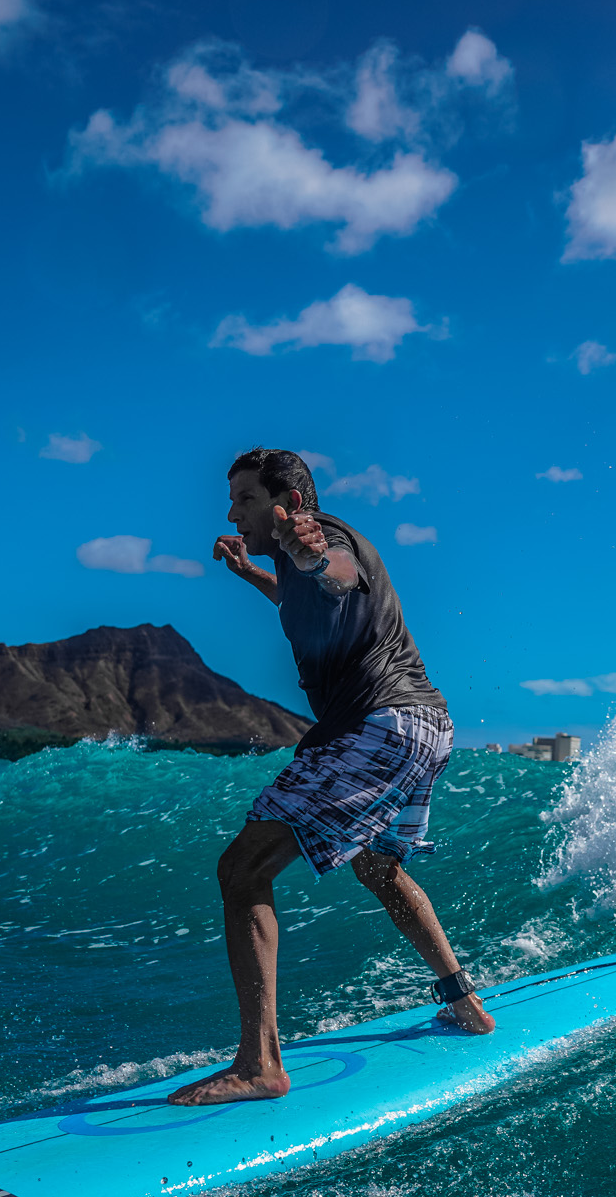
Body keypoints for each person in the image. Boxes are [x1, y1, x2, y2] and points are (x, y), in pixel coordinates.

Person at [169, 448, 494, 1106]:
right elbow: (307, 591)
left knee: (242, 870)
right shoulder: (290, 562)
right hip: (427, 726)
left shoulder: (324, 540)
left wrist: (312, 552)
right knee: (379, 868)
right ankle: (465, 1002)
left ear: (287, 503)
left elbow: (336, 572)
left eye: (245, 499)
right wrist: (252, 572)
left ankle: (260, 1063)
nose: (232, 511)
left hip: (377, 725)